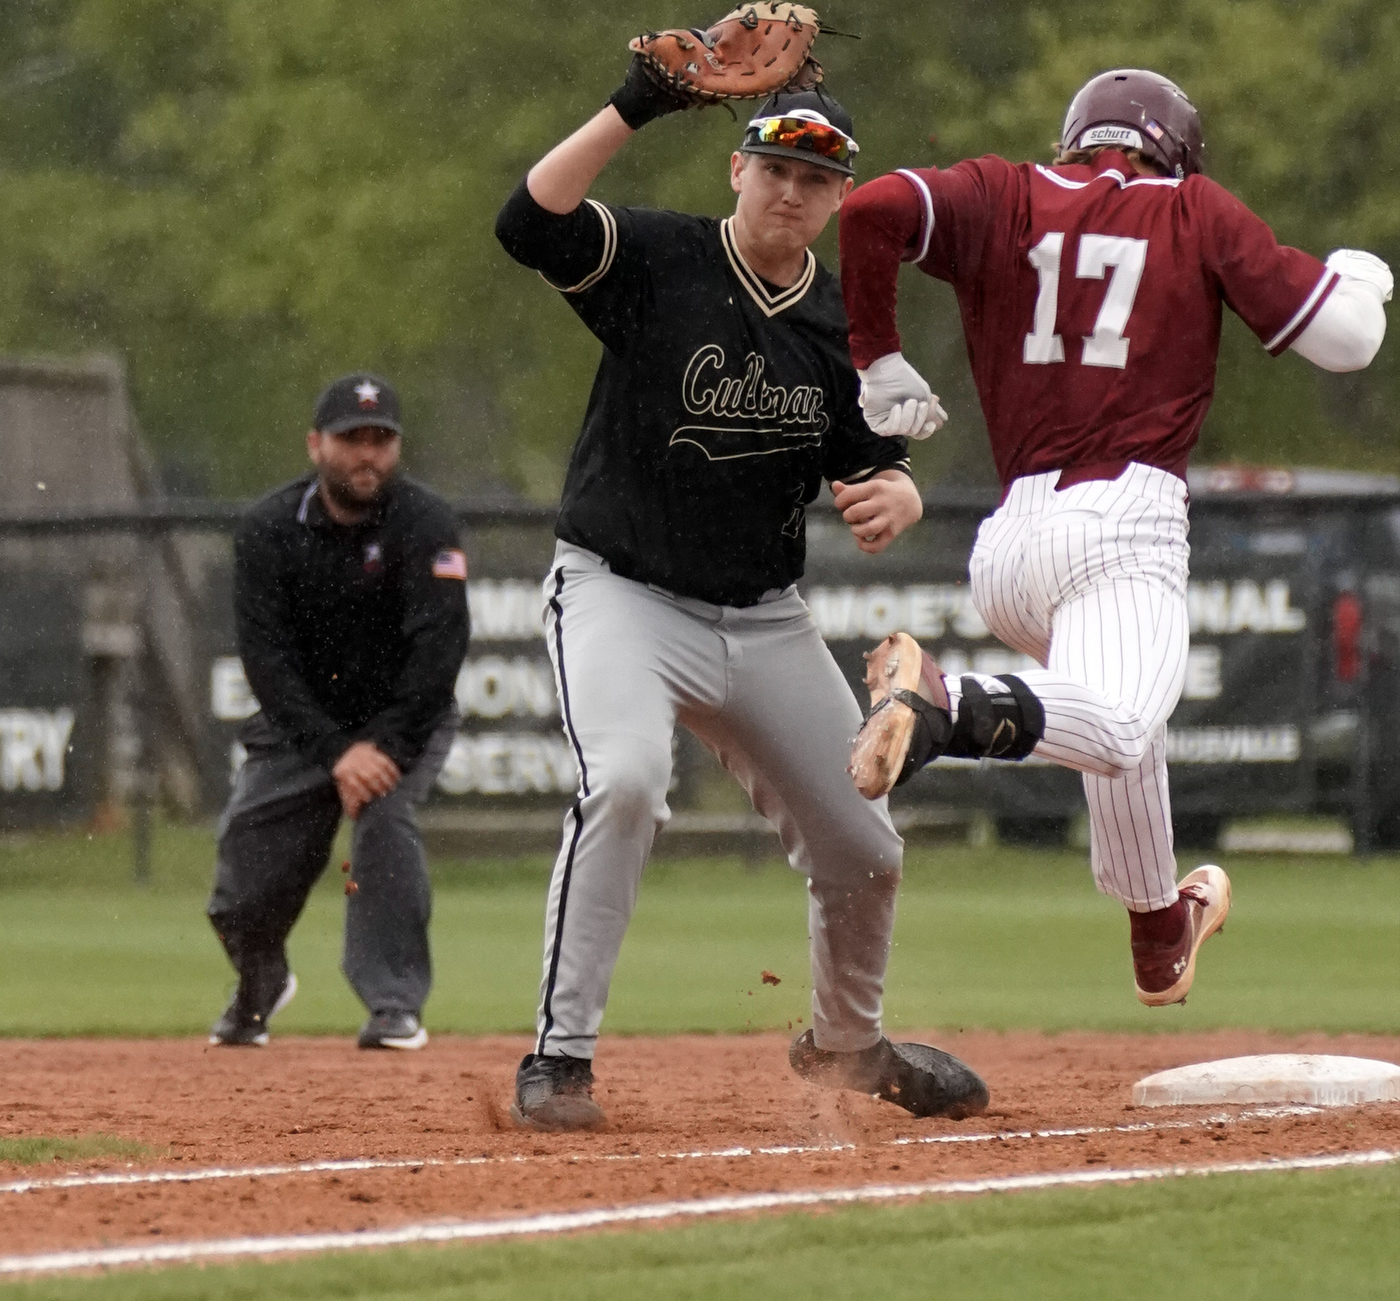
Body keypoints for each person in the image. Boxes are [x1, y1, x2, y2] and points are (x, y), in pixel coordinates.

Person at [493, 58, 989, 1130]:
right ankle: (560, 1057)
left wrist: (899, 490)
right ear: (736, 170)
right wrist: (635, 101)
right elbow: (526, 223)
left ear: (839, 198)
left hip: (763, 616)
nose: (790, 193)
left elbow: (874, 460)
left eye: (816, 180)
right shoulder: (662, 257)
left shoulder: (842, 321)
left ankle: (848, 1047)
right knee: (627, 782)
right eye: (774, 169)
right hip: (623, 592)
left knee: (865, 846)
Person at [838, 68, 1391, 1007]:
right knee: (1124, 718)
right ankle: (945, 703)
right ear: (1177, 155)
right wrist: (1361, 282)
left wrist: (877, 356)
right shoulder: (1193, 208)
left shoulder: (1004, 191)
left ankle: (1157, 926)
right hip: (1125, 518)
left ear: (1074, 140)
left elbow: (870, 210)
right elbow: (1349, 343)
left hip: (1010, 547)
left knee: (1120, 727)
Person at [207, 373, 469, 1050]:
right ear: (315, 445)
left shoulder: (426, 523)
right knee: (243, 874)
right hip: (303, 724)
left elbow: (438, 650)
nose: (368, 454)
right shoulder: (268, 529)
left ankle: (393, 1004)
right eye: (352, 438)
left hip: (402, 721)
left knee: (384, 821)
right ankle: (260, 981)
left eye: (382, 439)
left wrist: (383, 749)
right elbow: (266, 661)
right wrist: (334, 752)